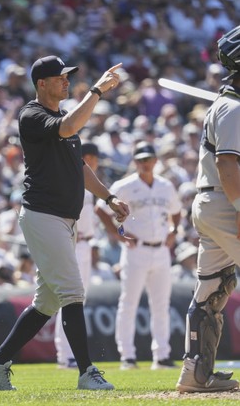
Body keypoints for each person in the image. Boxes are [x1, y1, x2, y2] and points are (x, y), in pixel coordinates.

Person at [0, 55, 129, 391]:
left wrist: (108, 197)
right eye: (60, 77)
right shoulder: (32, 114)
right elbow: (70, 128)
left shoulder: (60, 115)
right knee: (73, 291)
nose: (66, 82)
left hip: (63, 219)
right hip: (43, 215)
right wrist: (98, 92)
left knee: (46, 303)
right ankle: (87, 372)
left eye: (67, 77)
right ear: (41, 83)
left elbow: (79, 167)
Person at [176, 26, 240, 393]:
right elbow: (229, 165)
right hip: (226, 201)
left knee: (213, 289)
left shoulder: (227, 105)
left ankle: (195, 374)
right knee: (214, 289)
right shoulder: (232, 108)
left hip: (213, 202)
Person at [95, 141, 182, 370]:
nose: (144, 163)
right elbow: (100, 209)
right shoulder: (125, 185)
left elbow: (176, 211)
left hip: (161, 249)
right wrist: (116, 234)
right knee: (129, 302)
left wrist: (174, 230)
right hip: (136, 250)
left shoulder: (165, 185)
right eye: (140, 159)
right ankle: (127, 356)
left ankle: (162, 356)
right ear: (135, 162)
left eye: (148, 159)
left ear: (155, 160)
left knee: (161, 304)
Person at [54, 140, 100, 369]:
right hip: (72, 242)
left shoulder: (92, 186)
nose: (90, 162)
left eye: (93, 158)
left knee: (79, 298)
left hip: (86, 244)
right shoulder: (70, 178)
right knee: (69, 298)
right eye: (86, 158)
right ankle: (65, 353)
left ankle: (69, 353)